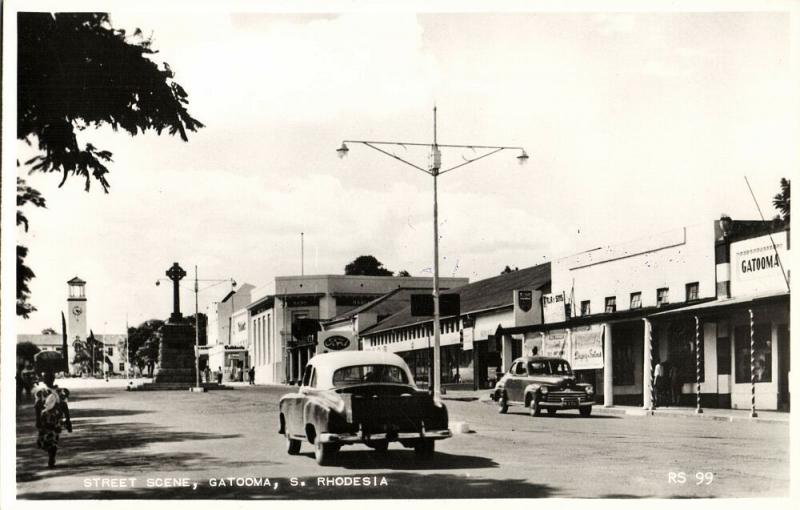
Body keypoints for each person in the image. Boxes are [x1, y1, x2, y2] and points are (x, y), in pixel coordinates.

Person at [34, 369, 72, 468]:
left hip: (55, 420)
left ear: (53, 379)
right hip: (45, 420)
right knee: (44, 441)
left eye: (50, 377)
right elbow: (37, 407)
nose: (48, 379)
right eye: (46, 377)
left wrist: (68, 421)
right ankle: (51, 454)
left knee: (53, 439)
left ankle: (52, 457)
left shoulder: (60, 391)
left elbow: (64, 406)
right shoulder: (41, 392)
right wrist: (38, 420)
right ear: (44, 379)